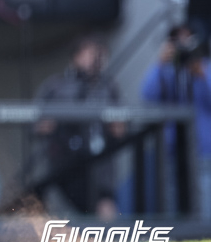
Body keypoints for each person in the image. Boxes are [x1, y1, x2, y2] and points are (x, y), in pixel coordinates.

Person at [33, 35, 123, 218]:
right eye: (90, 54)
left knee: (105, 205)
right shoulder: (56, 86)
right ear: (76, 56)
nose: (95, 60)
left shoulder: (108, 87)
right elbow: (38, 126)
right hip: (62, 162)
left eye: (99, 55)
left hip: (99, 163)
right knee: (46, 202)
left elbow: (120, 129)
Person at [140, 25, 211, 220]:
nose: (183, 45)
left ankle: (207, 233)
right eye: (177, 41)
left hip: (203, 147)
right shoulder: (166, 70)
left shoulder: (204, 66)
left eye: (187, 40)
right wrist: (160, 64)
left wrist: (201, 74)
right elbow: (147, 95)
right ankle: (174, 237)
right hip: (172, 147)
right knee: (171, 192)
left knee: (205, 192)